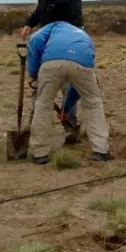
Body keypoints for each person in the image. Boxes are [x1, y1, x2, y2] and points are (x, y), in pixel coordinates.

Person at [26, 22, 111, 164]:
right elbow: (77, 88)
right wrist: (67, 107)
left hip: (51, 62)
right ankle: (101, 151)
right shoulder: (84, 35)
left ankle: (39, 154)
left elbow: (34, 41)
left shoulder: (51, 27)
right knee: (93, 104)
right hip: (83, 62)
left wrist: (34, 73)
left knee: (43, 105)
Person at [19, 0, 84, 143]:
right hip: (43, 50)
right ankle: (34, 128)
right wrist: (28, 23)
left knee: (67, 89)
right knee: (40, 90)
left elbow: (78, 25)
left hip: (66, 51)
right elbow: (40, 11)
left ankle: (70, 128)